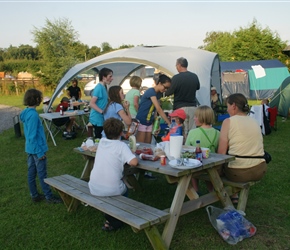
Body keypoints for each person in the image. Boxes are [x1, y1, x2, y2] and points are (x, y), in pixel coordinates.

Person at [88, 118, 138, 231]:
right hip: (111, 189)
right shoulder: (121, 146)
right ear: (121, 132)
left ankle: (110, 217)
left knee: (116, 182)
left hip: (94, 187)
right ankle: (117, 219)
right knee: (125, 188)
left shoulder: (101, 142)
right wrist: (131, 154)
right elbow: (134, 162)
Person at [218, 93, 267, 203]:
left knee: (220, 167)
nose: (227, 110)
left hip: (238, 172)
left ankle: (225, 194)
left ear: (234, 106)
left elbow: (221, 152)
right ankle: (234, 194)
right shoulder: (254, 121)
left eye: (228, 106)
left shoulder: (228, 122)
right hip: (260, 169)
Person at [20, 89, 62, 204]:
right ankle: (48, 197)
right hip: (37, 149)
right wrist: (39, 152)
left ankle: (34, 195)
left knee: (31, 173)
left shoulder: (26, 112)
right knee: (42, 173)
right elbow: (32, 136)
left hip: (30, 148)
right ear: (37, 100)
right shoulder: (33, 115)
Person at [185, 105, 220, 193]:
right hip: (213, 164)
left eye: (196, 117)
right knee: (210, 171)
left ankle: (195, 189)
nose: (194, 119)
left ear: (202, 118)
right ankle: (211, 190)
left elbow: (186, 148)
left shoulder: (193, 132)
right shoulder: (218, 133)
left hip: (197, 164)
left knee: (191, 164)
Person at [165, 57, 200, 139]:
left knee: (181, 131)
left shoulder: (176, 78)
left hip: (180, 108)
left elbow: (169, 92)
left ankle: (182, 148)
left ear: (179, 65)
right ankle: (191, 148)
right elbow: (198, 87)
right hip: (192, 107)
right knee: (192, 131)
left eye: (176, 65)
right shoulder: (194, 76)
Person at [136, 74, 172, 144]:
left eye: (167, 88)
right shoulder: (151, 91)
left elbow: (155, 110)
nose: (165, 90)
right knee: (141, 145)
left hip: (149, 121)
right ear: (159, 83)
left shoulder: (158, 94)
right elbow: (158, 108)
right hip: (142, 120)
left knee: (148, 145)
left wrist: (156, 124)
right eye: (165, 87)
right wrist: (169, 123)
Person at [89, 68, 113, 139]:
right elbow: (92, 103)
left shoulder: (104, 87)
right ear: (103, 77)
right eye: (110, 76)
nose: (112, 78)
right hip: (97, 118)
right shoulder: (99, 88)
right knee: (98, 139)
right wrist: (102, 112)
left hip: (101, 118)